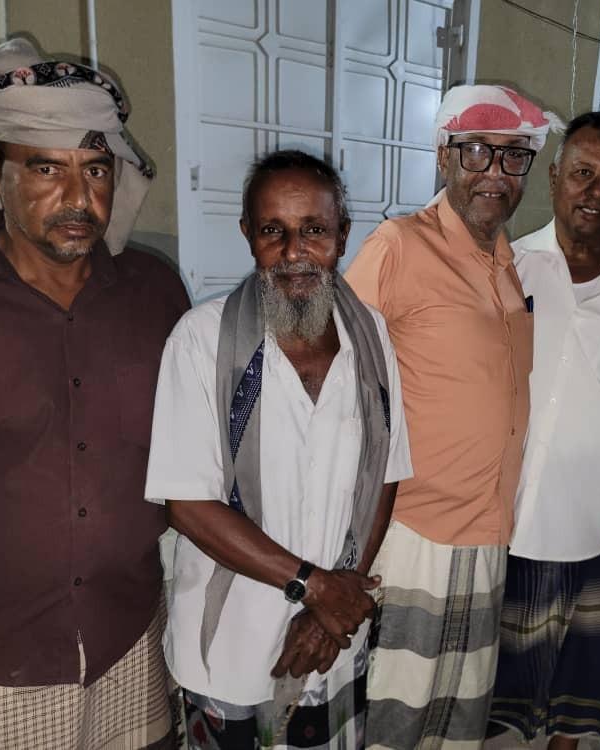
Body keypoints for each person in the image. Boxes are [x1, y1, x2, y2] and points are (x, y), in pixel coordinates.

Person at [0, 38, 190, 749]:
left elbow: (191, 455)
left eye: (95, 168)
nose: (79, 198)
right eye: (46, 168)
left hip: (129, 641)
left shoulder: (155, 293)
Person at [144, 150, 412, 749]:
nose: (295, 252)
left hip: (331, 639)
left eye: (314, 230)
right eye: (274, 231)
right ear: (248, 234)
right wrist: (316, 589)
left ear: (343, 234)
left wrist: (336, 599)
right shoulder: (201, 340)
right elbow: (187, 506)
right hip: (230, 647)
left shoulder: (371, 337)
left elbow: (386, 475)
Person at [345, 83, 559, 749]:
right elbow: (339, 373)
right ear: (444, 157)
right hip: (415, 532)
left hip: (487, 530)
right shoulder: (400, 245)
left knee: (457, 716)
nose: (494, 172)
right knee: (395, 714)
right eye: (476, 152)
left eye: (513, 156)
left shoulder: (508, 263)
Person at [487, 111, 600, 747]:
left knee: (581, 688)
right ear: (554, 177)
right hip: (509, 520)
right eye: (583, 173)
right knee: (495, 687)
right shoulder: (508, 267)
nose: (596, 191)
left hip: (599, 525)